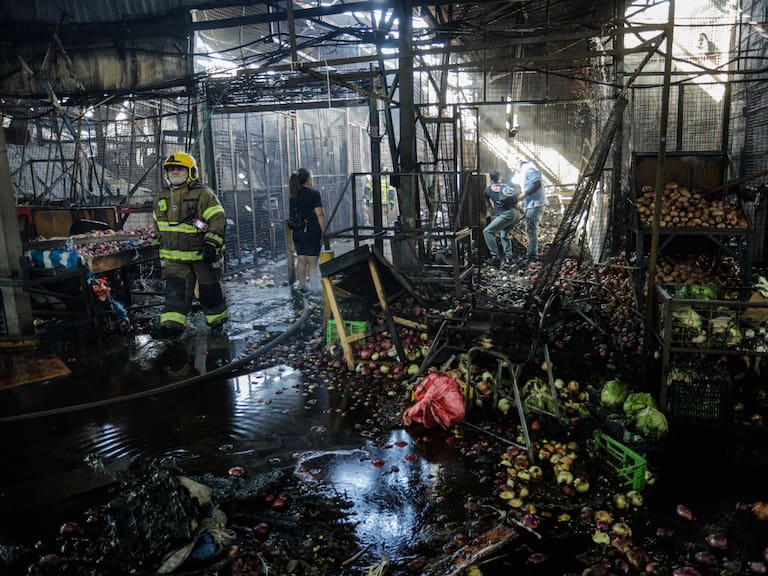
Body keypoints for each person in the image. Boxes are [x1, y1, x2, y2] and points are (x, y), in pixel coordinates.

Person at [152, 151, 228, 337]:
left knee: (210, 292)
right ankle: (171, 326)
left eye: (179, 169)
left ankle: (217, 324)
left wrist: (211, 244)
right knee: (175, 293)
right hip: (174, 259)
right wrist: (157, 246)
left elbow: (217, 220)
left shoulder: (204, 195)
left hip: (202, 257)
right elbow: (157, 225)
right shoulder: (162, 197)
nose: (175, 172)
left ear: (191, 172)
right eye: (171, 169)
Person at [289, 167, 326, 294]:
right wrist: (324, 231)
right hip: (311, 231)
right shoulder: (314, 194)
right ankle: (315, 289)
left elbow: (293, 216)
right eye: (312, 177)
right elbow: (320, 214)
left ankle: (303, 286)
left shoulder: (293, 195)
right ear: (308, 180)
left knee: (301, 260)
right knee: (312, 262)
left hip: (298, 233)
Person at [482, 169, 522, 266]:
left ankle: (495, 257)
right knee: (504, 233)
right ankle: (509, 257)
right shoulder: (506, 186)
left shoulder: (487, 190)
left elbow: (488, 206)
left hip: (506, 214)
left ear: (490, 179)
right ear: (500, 178)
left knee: (487, 231)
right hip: (516, 213)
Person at [512, 156, 546, 261]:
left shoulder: (529, 169)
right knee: (530, 229)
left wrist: (523, 195)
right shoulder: (524, 170)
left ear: (517, 164)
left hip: (535, 203)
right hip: (531, 203)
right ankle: (531, 253)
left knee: (531, 229)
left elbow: (537, 184)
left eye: (513, 167)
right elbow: (516, 181)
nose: (513, 170)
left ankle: (532, 255)